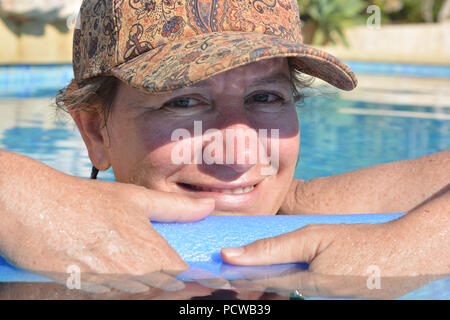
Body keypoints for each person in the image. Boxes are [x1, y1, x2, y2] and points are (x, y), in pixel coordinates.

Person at [0, 0, 448, 292]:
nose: (238, 153)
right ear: (96, 131)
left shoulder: (307, 213)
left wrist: (411, 242)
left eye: (265, 97)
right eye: (184, 101)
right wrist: (18, 189)